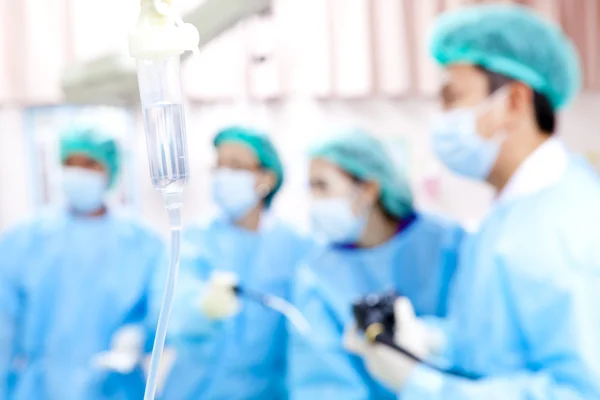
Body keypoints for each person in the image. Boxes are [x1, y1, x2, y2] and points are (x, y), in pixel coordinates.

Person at [346, 4, 600, 399]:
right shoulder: (513, 212)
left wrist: (427, 387)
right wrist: (427, 339)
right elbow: (494, 344)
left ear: (515, 101)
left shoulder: (565, 227)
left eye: (452, 98)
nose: (441, 118)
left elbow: (581, 391)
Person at [288, 130, 465, 399]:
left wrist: (431, 341)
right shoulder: (316, 273)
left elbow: (481, 336)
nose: (314, 202)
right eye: (310, 188)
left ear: (368, 189)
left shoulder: (448, 244)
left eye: (322, 186)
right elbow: (321, 381)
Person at [0, 126, 164, 399]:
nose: (78, 173)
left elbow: (165, 313)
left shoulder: (143, 243)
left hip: (115, 389)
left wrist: (139, 337)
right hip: (38, 390)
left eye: (89, 164)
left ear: (110, 172)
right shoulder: (22, 239)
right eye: (70, 163)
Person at [154, 125, 313, 400]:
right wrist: (202, 307)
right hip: (196, 391)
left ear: (267, 177)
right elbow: (168, 314)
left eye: (237, 166)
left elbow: (310, 331)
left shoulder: (298, 246)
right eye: (219, 166)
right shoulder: (193, 240)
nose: (224, 175)